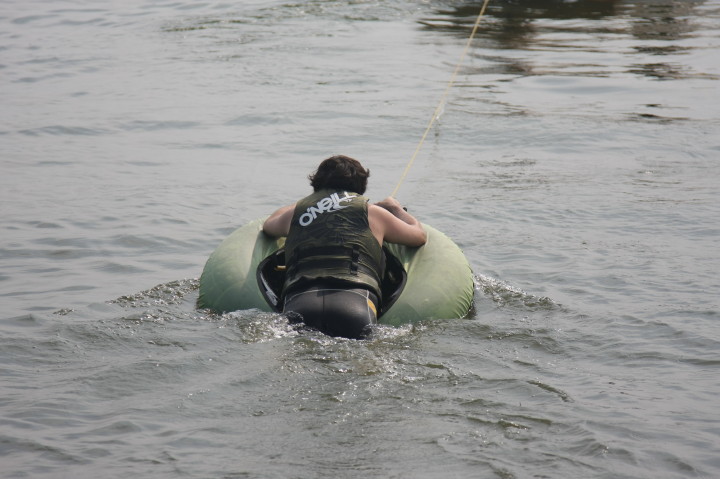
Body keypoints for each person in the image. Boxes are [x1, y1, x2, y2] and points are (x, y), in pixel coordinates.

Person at [262, 155, 427, 339]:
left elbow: (269, 225)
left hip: (300, 303)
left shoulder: (295, 214)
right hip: (355, 306)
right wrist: (394, 207)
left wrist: (307, 204)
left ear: (316, 185)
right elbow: (419, 236)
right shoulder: (374, 213)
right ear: (361, 186)